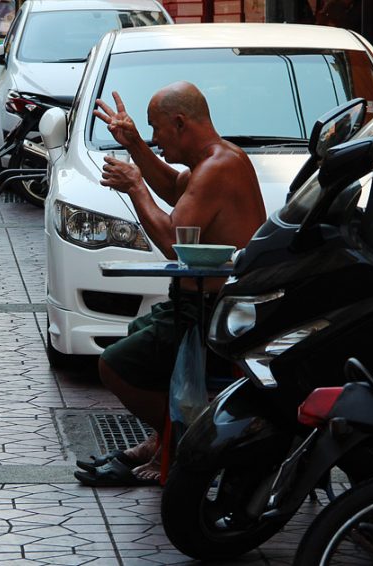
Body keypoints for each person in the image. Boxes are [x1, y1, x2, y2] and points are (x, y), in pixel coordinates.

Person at [74, 82, 266, 486]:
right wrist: (133, 146)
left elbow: (174, 244)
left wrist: (135, 186)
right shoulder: (217, 160)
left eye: (156, 130)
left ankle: (180, 441)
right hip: (200, 304)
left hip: (214, 313)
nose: (155, 140)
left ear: (180, 123)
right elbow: (174, 187)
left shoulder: (218, 168)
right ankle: (160, 439)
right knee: (136, 334)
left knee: (114, 367)